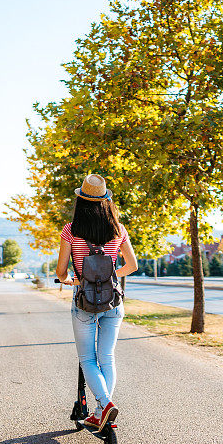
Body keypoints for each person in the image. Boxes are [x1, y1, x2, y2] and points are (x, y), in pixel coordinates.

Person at [55, 174, 138, 430]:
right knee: (107, 357)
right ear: (105, 201)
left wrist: (73, 280)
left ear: (81, 200)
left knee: (87, 359)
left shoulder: (71, 230)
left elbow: (61, 271)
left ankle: (105, 404)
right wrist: (111, 275)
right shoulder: (118, 229)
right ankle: (101, 412)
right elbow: (132, 266)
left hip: (84, 301)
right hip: (113, 301)